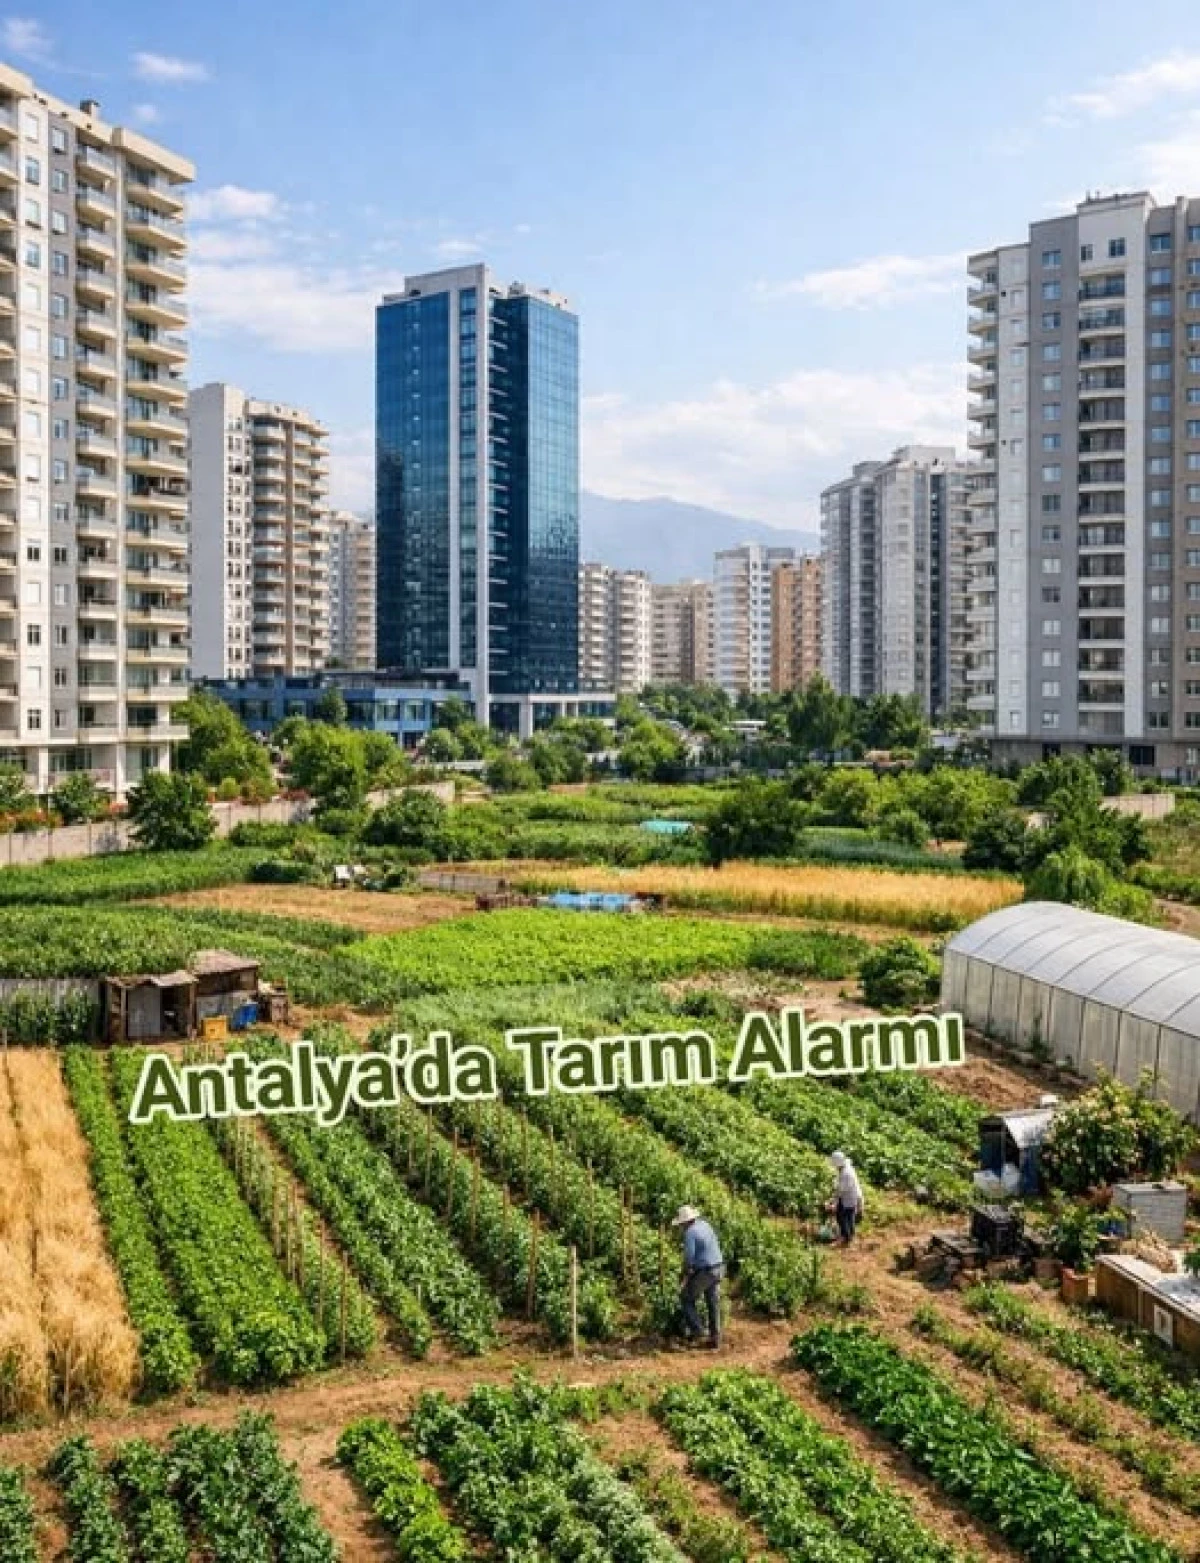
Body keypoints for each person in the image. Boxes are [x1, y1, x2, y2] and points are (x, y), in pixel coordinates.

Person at [672, 1205, 724, 1348]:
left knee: (685, 1298)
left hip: (706, 1271)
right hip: (718, 1267)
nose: (681, 1227)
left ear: (685, 1222)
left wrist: (684, 1273)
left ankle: (698, 1332)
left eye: (681, 1224)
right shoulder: (705, 1225)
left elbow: (689, 1258)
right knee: (712, 1303)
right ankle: (715, 1338)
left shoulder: (690, 1233)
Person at [829, 1150, 864, 1246]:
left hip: (849, 1199)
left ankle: (845, 1238)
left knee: (842, 1217)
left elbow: (841, 1190)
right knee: (849, 1217)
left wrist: (833, 1202)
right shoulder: (846, 1166)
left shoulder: (846, 1174)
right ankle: (850, 1236)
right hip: (851, 1197)